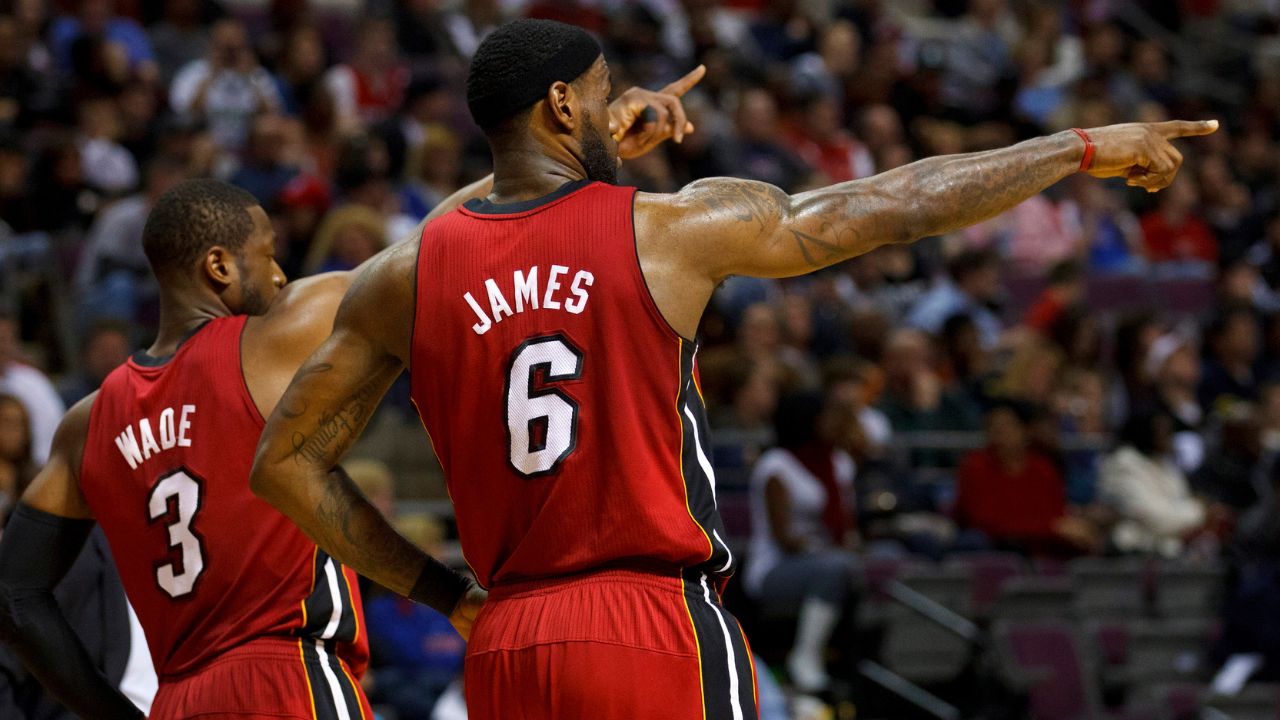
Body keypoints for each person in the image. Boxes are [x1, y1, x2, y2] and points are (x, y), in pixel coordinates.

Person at [249, 18, 1214, 720]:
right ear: (558, 106)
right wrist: (1079, 145)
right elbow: (896, 202)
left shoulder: (404, 275)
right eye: (598, 91)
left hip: (506, 642)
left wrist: (441, 592)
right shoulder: (666, 229)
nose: (612, 103)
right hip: (650, 623)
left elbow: (283, 463)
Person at [0, 64, 697, 719]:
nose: (277, 277)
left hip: (179, 698)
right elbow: (437, 248)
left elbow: (16, 594)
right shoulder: (271, 337)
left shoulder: (86, 424)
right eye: (266, 256)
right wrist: (579, 148)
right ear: (218, 266)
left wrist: (108, 712)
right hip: (286, 677)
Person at [745, 392, 859, 693]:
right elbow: (784, 539)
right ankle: (805, 656)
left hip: (828, 556)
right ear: (808, 421)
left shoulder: (840, 462)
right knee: (836, 567)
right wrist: (828, 549)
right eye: (828, 417)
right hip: (776, 568)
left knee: (874, 562)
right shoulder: (776, 466)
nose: (836, 423)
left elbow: (847, 525)